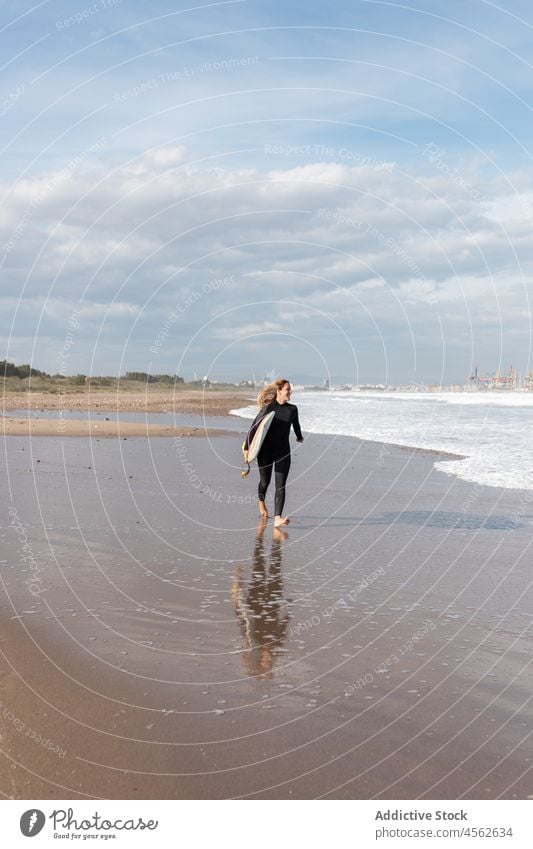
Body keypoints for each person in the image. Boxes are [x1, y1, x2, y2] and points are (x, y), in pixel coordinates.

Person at [244, 378, 303, 527]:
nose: (290, 392)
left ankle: (278, 518)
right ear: (279, 391)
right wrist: (247, 449)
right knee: (265, 482)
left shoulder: (292, 409)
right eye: (288, 389)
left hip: (283, 451)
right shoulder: (268, 408)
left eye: (290, 389)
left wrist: (299, 436)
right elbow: (254, 428)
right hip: (266, 452)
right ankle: (261, 501)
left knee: (280, 485)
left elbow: (296, 425)